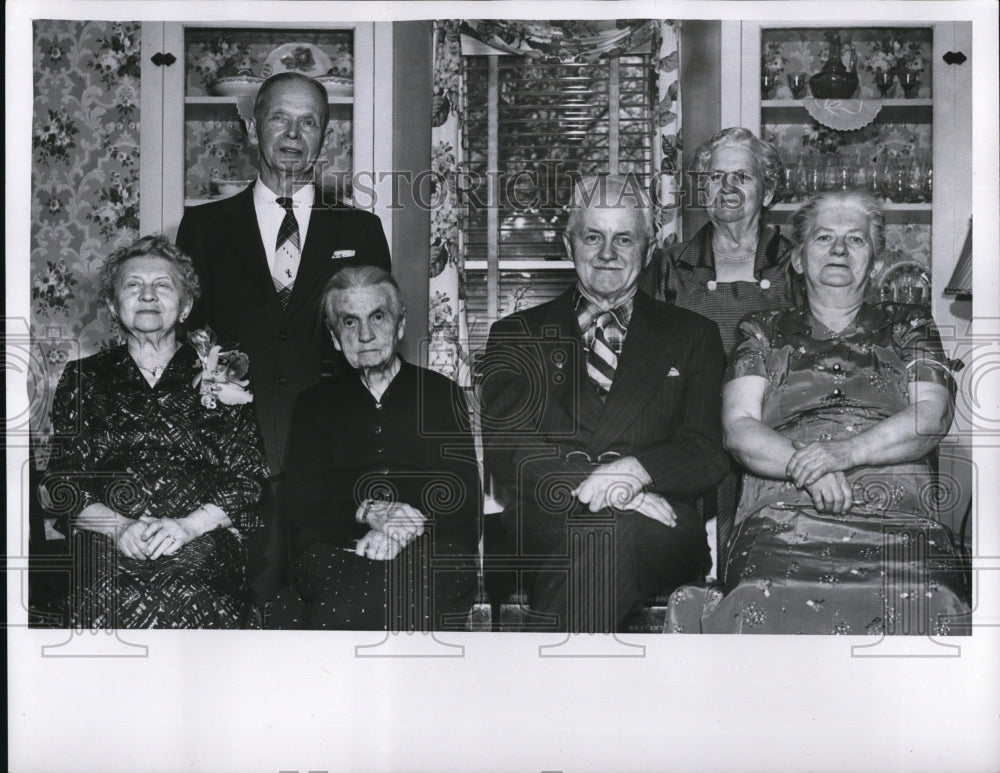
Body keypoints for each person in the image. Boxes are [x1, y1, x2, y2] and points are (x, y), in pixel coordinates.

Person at [668, 190, 970, 634]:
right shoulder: (762, 330)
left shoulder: (911, 325)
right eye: (824, 237)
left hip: (898, 513)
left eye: (857, 240)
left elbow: (932, 417)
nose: (839, 249)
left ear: (879, 263)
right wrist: (808, 465)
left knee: (930, 597)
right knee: (761, 593)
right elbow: (738, 427)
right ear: (797, 259)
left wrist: (843, 453)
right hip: (783, 508)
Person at [480, 174, 729, 633]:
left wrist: (635, 472)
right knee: (600, 531)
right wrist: (608, 488)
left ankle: (549, 694)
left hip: (660, 524)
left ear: (649, 248)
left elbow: (706, 451)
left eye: (624, 239)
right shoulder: (516, 335)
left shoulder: (693, 336)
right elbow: (508, 448)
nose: (608, 253)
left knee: (604, 534)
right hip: (544, 520)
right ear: (568, 244)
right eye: (593, 237)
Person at [175, 72, 391, 597]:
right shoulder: (203, 228)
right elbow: (188, 342)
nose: (293, 133)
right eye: (279, 117)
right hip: (233, 463)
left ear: (325, 137)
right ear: (252, 129)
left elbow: (376, 349)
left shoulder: (359, 230)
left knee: (330, 610)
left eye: (309, 121)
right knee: (247, 610)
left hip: (333, 463)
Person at [41, 235, 268, 628]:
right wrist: (120, 527)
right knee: (106, 596)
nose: (148, 295)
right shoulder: (84, 378)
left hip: (201, 537)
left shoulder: (222, 371)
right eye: (133, 285)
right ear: (114, 305)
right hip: (107, 538)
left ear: (185, 306)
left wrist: (187, 526)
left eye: (162, 285)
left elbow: (248, 479)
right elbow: (64, 479)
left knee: (188, 590)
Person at [280, 266, 480, 630]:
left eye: (377, 317)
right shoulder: (313, 405)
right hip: (336, 549)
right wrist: (368, 513)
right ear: (335, 336)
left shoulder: (439, 394)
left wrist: (401, 529)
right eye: (350, 322)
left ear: (400, 325)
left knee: (410, 595)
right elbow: (302, 499)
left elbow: (462, 495)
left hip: (432, 546)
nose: (367, 334)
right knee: (347, 599)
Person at [640, 126, 802, 560]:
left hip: (771, 437)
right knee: (685, 559)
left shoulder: (797, 264)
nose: (727, 188)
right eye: (714, 177)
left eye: (742, 177)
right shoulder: (670, 265)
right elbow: (641, 362)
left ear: (766, 193)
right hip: (688, 437)